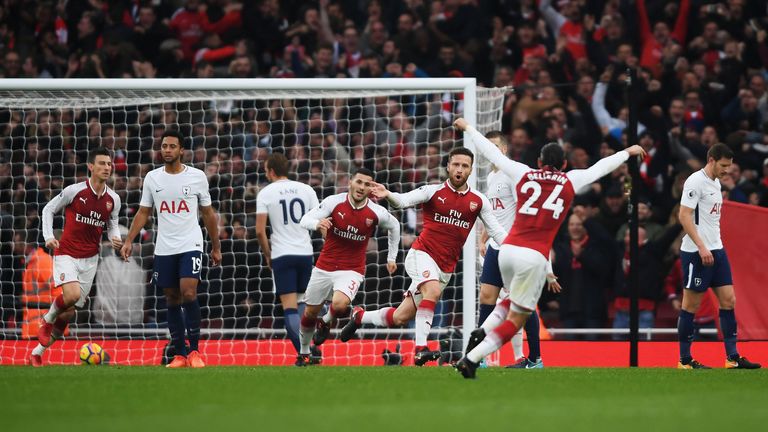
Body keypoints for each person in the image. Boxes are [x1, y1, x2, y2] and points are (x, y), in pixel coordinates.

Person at [453, 118, 646, 378]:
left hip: (506, 248)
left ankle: (483, 330)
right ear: (564, 164)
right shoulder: (570, 180)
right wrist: (627, 152)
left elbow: (490, 152)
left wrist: (467, 128)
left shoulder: (523, 173)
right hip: (533, 255)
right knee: (518, 316)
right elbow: (599, 168)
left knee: (508, 300)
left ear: (540, 162)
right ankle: (475, 355)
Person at [339, 147, 508, 366]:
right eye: (455, 164)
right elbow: (403, 201)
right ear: (448, 167)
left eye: (464, 166)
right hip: (421, 254)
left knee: (400, 317)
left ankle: (359, 316)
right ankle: (421, 349)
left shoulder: (478, 201)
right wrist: (388, 194)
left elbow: (497, 232)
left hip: (445, 268)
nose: (459, 169)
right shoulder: (432, 191)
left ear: (470, 170)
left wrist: (519, 250)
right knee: (433, 291)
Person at [121, 130, 222, 369]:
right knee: (172, 297)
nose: (167, 150)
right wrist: (129, 241)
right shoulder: (153, 178)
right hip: (165, 246)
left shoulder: (197, 177)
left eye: (172, 146)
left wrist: (216, 245)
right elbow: (144, 212)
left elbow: (207, 213)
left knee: (188, 292)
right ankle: (179, 354)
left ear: (181, 150)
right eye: (164, 146)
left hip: (191, 243)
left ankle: (195, 352)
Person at [295, 167, 400, 366]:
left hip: (352, 270)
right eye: (359, 182)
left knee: (340, 304)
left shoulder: (376, 212)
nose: (362, 187)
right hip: (324, 266)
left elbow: (395, 226)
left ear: (371, 188)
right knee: (309, 313)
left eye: (367, 184)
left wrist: (391, 258)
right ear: (350, 182)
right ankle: (304, 352)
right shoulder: (333, 202)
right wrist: (317, 225)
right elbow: (304, 219)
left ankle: (326, 321)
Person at [33, 147, 122, 366]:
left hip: (90, 259)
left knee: (68, 313)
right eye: (101, 163)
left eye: (109, 164)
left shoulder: (113, 199)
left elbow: (112, 225)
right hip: (67, 254)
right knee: (70, 296)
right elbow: (48, 209)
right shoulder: (75, 191)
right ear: (91, 167)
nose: (106, 168)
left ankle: (37, 352)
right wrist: (48, 236)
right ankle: (46, 318)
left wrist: (116, 238)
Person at [478, 131, 560, 368]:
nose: (489, 150)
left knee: (521, 303)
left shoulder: (515, 174)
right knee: (486, 297)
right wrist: (484, 238)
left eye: (493, 146)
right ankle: (480, 355)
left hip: (514, 247)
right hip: (495, 246)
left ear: (503, 150)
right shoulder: (492, 178)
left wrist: (546, 263)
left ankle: (535, 358)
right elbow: (495, 214)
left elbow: (528, 213)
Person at [676, 144, 761, 369]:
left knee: (729, 300)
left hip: (716, 249)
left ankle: (732, 358)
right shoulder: (695, 181)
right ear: (711, 160)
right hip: (696, 252)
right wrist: (702, 247)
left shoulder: (715, 182)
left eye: (729, 167)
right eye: (723, 166)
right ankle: (684, 360)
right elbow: (683, 216)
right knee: (690, 305)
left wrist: (712, 246)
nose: (727, 171)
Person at [255, 152, 319, 358]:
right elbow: (320, 219)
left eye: (265, 170)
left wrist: (268, 254)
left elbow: (259, 230)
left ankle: (306, 353)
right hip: (305, 253)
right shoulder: (306, 189)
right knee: (304, 305)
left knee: (289, 308)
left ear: (272, 171)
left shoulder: (266, 193)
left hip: (282, 255)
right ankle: (312, 347)